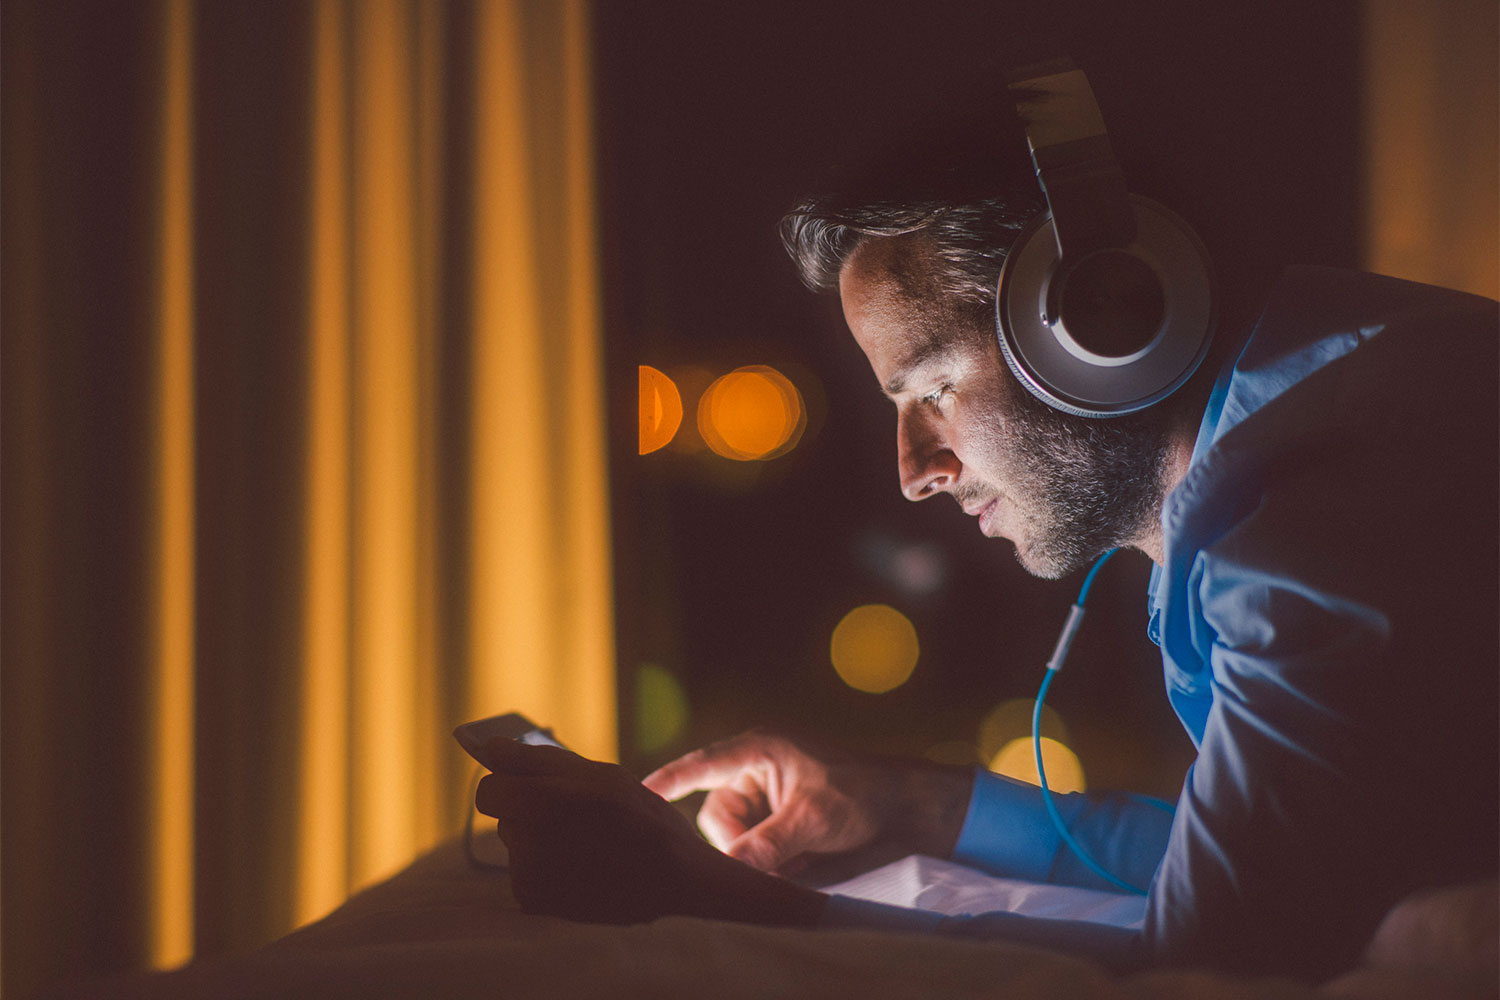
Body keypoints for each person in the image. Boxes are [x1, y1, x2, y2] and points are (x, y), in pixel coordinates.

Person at [476, 96, 1499, 983]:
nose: (914, 470)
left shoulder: (1307, 545)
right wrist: (906, 802)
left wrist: (707, 899)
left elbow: (1206, 962)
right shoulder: (1333, 418)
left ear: (1103, 324)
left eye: (930, 389)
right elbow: (1261, 858)